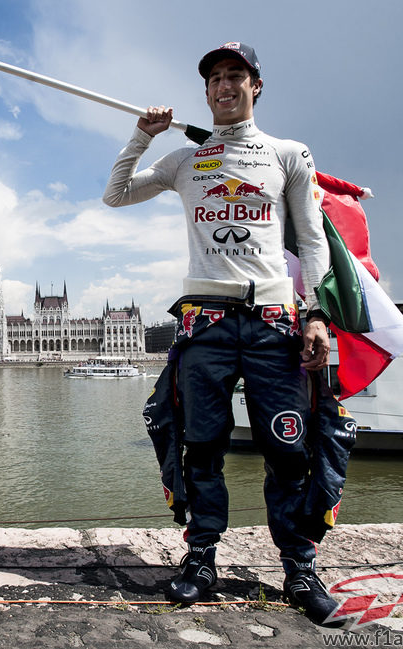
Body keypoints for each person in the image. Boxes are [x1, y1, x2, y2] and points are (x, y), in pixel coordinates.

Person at [103, 42, 339, 624]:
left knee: (288, 447)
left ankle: (299, 566)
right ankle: (201, 557)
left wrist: (317, 315)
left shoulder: (288, 154)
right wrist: (143, 137)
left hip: (272, 323)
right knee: (201, 445)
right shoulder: (186, 160)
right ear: (205, 91)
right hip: (204, 322)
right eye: (214, 78)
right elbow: (115, 194)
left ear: (256, 85)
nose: (224, 86)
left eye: (235, 75)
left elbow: (312, 241)